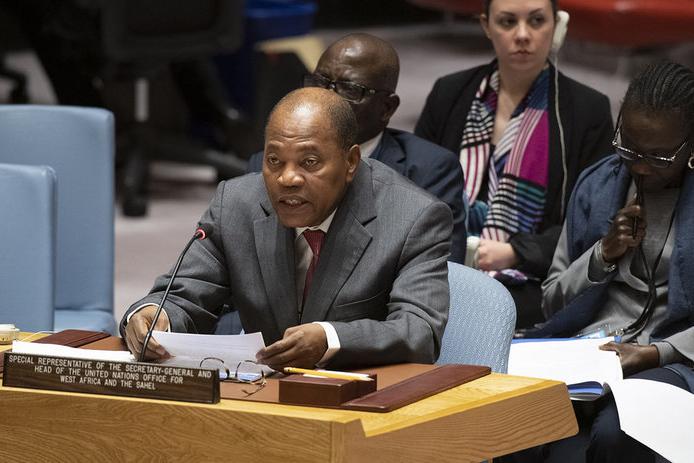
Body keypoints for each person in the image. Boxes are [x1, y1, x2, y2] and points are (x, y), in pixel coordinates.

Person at [120, 87, 452, 370]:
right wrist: (155, 315)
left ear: (350, 162)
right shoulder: (236, 204)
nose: (287, 178)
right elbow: (185, 294)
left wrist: (330, 339)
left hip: (361, 398)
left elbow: (419, 331)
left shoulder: (412, 217)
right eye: (274, 161)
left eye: (309, 162)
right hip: (263, 396)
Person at [522, 61, 694, 461]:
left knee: (618, 431)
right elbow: (551, 300)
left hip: (675, 356)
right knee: (513, 413)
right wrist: (602, 253)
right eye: (628, 147)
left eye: (659, 157)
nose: (640, 167)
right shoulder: (597, 185)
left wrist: (657, 353)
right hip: (588, 351)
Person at [415, 0, 613, 328]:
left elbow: (593, 219)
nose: (522, 35)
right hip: (441, 267)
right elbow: (414, 189)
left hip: (533, 278)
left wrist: (516, 252)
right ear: (486, 26)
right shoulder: (449, 93)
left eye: (536, 21)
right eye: (508, 22)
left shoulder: (587, 110)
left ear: (557, 25)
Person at [247, 33, 467, 264]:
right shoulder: (265, 166)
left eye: (349, 90)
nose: (325, 99)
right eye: (320, 82)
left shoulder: (428, 172)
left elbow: (437, 270)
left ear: (387, 108)